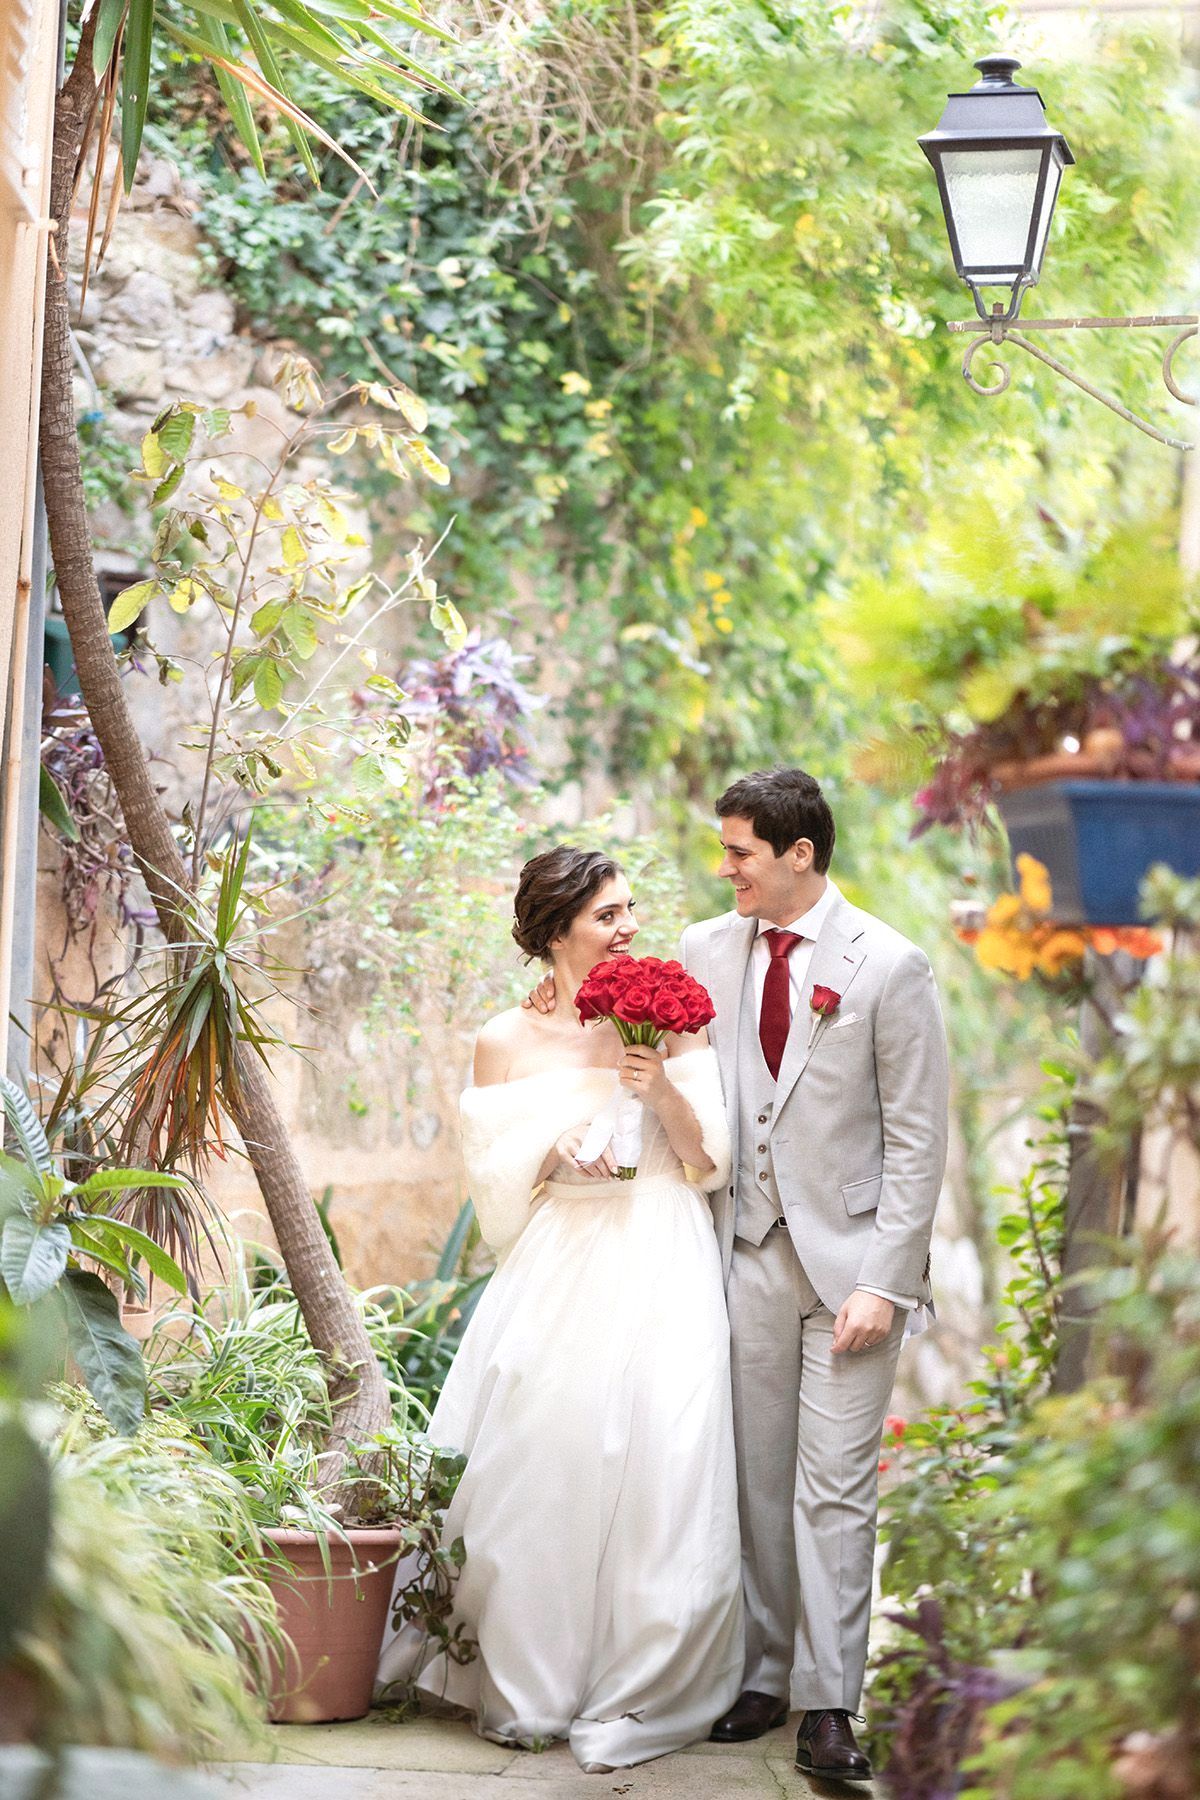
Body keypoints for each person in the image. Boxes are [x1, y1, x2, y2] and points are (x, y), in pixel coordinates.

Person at [525, 771, 949, 1783]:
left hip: (849, 1271)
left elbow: (920, 1140)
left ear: (800, 854)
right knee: (756, 1480)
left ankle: (829, 1703)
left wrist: (884, 1282)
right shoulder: (712, 950)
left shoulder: (892, 966)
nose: (725, 871)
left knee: (835, 1490)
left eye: (740, 854)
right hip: (743, 1253)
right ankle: (762, 1673)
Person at [377, 845, 743, 1774]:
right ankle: (528, 1681)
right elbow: (493, 1174)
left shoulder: (676, 1016)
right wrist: (553, 1155)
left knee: (663, 1460)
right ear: (555, 929)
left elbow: (712, 1162)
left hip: (660, 1248)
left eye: (630, 910)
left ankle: (639, 1678)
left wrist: (657, 1088)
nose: (629, 929)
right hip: (559, 1259)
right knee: (543, 1460)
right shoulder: (504, 1039)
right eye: (608, 915)